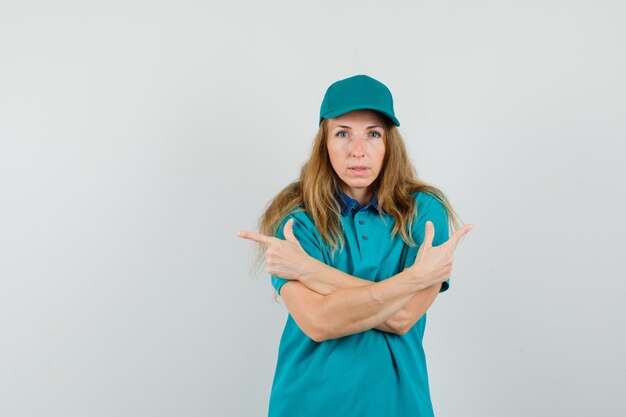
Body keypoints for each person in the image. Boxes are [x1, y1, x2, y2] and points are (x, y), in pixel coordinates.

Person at [237, 74, 473, 417]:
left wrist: (309, 270)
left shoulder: (424, 210)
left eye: (373, 134)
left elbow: (405, 317)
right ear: (325, 143)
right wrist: (412, 279)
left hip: (399, 404)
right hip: (307, 404)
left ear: (390, 143)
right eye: (343, 133)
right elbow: (318, 321)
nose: (358, 150)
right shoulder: (295, 217)